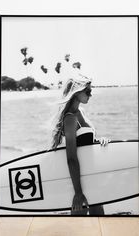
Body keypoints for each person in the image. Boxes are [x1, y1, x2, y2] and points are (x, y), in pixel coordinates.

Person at [51, 73, 109, 215]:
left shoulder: (80, 112)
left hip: (90, 175)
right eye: (88, 91)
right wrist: (78, 192)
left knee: (98, 216)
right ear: (77, 92)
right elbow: (71, 158)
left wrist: (99, 141)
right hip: (79, 180)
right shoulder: (70, 119)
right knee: (80, 224)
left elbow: (85, 143)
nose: (91, 94)